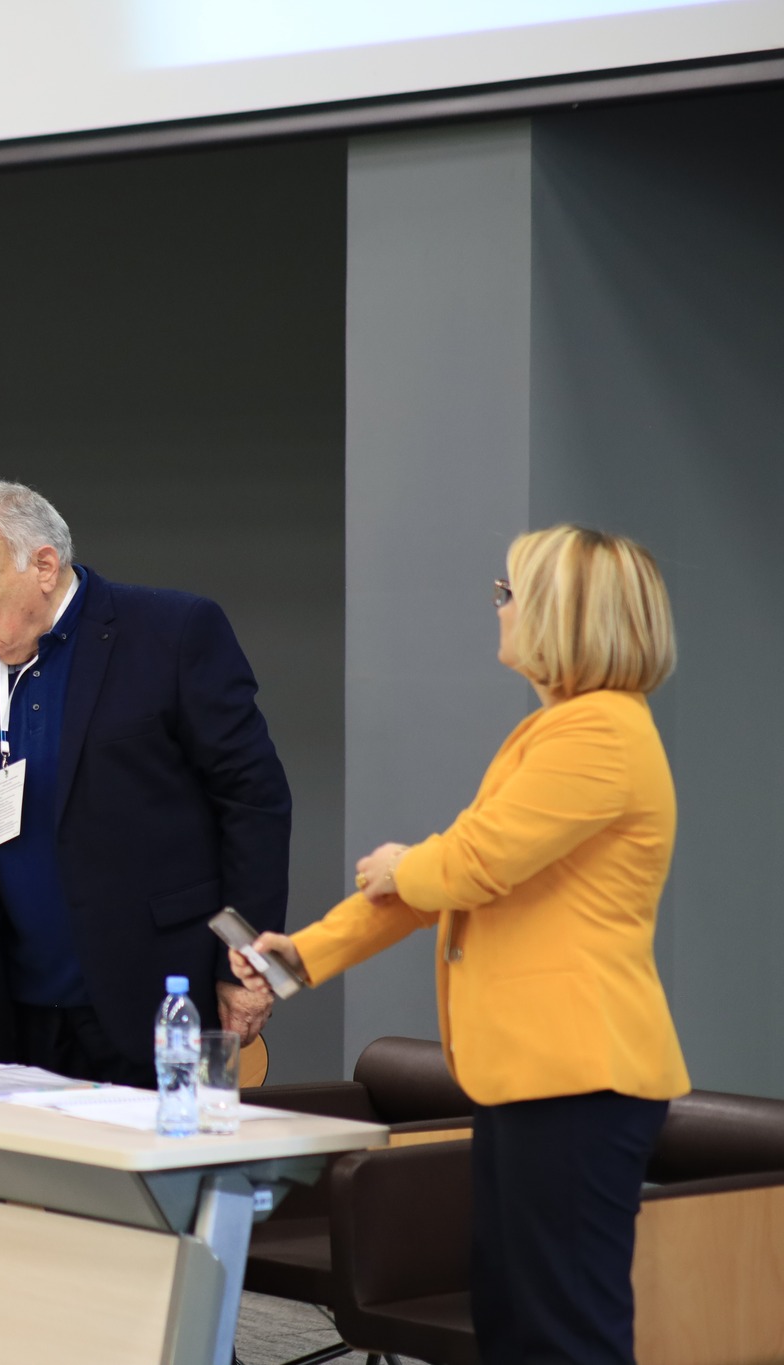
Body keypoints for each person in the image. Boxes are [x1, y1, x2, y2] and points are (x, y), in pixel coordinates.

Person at [234, 524, 688, 1365]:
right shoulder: (555, 732)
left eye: (508, 592)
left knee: (562, 1328)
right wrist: (299, 955)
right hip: (537, 1076)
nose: (498, 608)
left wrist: (405, 862)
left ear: (562, 612)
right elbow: (438, 883)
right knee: (514, 1316)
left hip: (577, 1075)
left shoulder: (599, 734)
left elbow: (468, 864)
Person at [0, 480, 290, 1086]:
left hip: (162, 996)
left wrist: (248, 969)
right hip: (28, 1009)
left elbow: (254, 804)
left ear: (44, 566)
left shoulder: (172, 634)